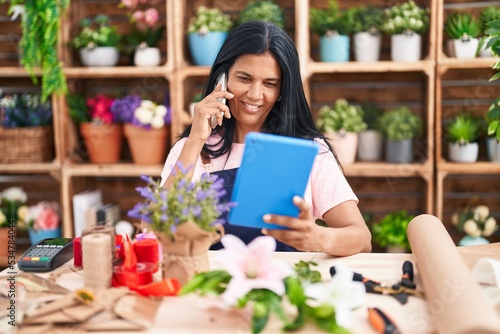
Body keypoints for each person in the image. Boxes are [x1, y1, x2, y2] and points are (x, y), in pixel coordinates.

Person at [160, 21, 371, 256]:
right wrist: (196, 141)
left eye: (270, 83)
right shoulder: (190, 148)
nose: (255, 95)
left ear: (283, 91)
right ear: (222, 78)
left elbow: (362, 239)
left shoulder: (309, 150)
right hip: (210, 285)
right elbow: (152, 232)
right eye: (245, 78)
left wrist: (318, 238)